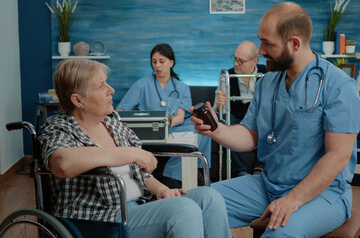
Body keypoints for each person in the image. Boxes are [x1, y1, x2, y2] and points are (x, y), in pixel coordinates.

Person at [190, 2, 360, 237]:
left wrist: (293, 199)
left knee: (279, 233)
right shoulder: (267, 83)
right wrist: (216, 129)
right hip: (268, 185)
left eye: (267, 43)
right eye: (260, 40)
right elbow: (250, 135)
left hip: (324, 194)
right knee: (195, 205)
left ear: (294, 43)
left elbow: (338, 156)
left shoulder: (338, 85)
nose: (260, 50)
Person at [39, 59, 232, 238]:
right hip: (101, 218)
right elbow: (62, 163)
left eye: (107, 83)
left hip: (139, 205)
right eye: (101, 86)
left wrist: (162, 190)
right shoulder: (60, 127)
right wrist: (130, 153)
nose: (111, 90)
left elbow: (141, 174)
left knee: (209, 197)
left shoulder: (113, 125)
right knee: (184, 210)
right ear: (78, 100)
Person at [116, 43, 211, 188]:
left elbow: (180, 116)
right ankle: (172, 177)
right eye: (154, 62)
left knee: (202, 131)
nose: (157, 66)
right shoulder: (142, 85)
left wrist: (174, 120)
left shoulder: (182, 88)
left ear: (171, 62)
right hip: (151, 131)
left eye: (162, 61)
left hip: (174, 127)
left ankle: (193, 173)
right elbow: (120, 111)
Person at [213, 41, 267, 177]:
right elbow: (218, 111)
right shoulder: (227, 76)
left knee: (268, 120)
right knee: (228, 122)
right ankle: (240, 171)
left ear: (254, 61)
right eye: (235, 58)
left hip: (258, 119)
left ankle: (260, 167)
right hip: (237, 119)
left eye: (241, 61)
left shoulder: (267, 74)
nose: (236, 64)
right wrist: (220, 104)